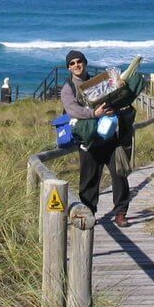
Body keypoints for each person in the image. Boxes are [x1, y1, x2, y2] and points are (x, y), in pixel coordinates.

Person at [60, 49, 134, 227]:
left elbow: (114, 97)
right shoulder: (68, 88)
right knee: (89, 178)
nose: (76, 65)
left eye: (79, 61)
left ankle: (121, 213)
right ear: (69, 68)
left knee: (119, 173)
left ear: (84, 63)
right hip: (89, 139)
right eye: (72, 63)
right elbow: (72, 110)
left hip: (110, 136)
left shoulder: (98, 81)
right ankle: (88, 213)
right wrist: (94, 113)